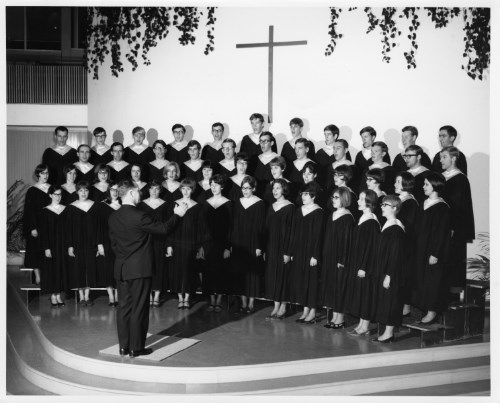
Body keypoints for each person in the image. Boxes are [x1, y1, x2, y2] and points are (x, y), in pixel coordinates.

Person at [109, 179, 187, 357]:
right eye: (137, 191)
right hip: (139, 269)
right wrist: (178, 215)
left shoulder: (113, 216)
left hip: (121, 268)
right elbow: (163, 229)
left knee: (123, 308)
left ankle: (123, 347)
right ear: (130, 193)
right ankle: (136, 348)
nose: (140, 194)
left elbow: (113, 244)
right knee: (139, 308)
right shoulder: (139, 215)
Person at [286, 181, 324, 324]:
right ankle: (305, 309)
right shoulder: (299, 210)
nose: (303, 196)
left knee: (311, 281)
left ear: (313, 196)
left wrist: (315, 255)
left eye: (306, 194)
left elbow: (318, 235)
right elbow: (294, 233)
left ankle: (313, 311)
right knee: (302, 280)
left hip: (311, 252)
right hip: (299, 250)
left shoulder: (318, 211)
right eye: (302, 194)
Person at [415, 173, 451, 324]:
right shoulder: (425, 203)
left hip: (433, 251)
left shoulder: (442, 207)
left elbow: (441, 232)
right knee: (423, 279)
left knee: (433, 281)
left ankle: (432, 311)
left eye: (426, 184)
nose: (423, 187)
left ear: (435, 186)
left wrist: (435, 253)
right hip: (422, 248)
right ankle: (424, 308)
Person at [440, 146, 475, 298]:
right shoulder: (440, 177)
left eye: (444, 157)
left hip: (453, 228)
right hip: (440, 226)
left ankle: (451, 299)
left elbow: (459, 207)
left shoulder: (460, 179)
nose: (441, 160)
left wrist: (452, 226)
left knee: (452, 261)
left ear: (453, 158)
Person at [346, 190, 380, 336]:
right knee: (360, 294)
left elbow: (370, 247)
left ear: (369, 202)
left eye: (361, 199)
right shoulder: (363, 218)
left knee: (366, 295)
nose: (358, 201)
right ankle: (361, 324)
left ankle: (365, 325)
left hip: (365, 266)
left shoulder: (371, 221)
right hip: (358, 263)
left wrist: (363, 267)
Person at [166, 178, 204, 310]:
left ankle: (187, 298)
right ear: (180, 189)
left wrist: (199, 246)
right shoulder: (174, 204)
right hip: (176, 243)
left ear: (192, 190)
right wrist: (169, 245)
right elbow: (170, 226)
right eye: (184, 188)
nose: (186, 191)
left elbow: (200, 228)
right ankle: (180, 298)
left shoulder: (197, 206)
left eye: (189, 188)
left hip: (191, 243)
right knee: (177, 270)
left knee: (189, 271)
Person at [320, 187, 355, 329]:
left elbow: (347, 242)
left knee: (339, 287)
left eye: (336, 197)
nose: (333, 200)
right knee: (331, 286)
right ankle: (334, 316)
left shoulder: (347, 217)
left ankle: (340, 318)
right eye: (332, 197)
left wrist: (343, 260)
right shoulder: (332, 215)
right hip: (329, 256)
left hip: (340, 259)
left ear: (344, 199)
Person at [372, 195, 405, 343]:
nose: (381, 207)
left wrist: (389, 275)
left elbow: (396, 254)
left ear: (394, 208)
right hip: (383, 270)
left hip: (391, 272)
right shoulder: (387, 225)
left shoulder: (396, 228)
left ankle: (389, 333)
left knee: (391, 301)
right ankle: (387, 332)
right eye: (382, 204)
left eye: (385, 204)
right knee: (386, 301)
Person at [230, 176, 266, 313]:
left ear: (254, 189)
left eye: (248, 188)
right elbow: (234, 225)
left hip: (253, 242)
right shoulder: (238, 202)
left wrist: (259, 246)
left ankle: (251, 303)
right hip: (239, 241)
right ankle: (243, 302)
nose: (245, 191)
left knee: (252, 273)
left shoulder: (260, 203)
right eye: (243, 188)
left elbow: (260, 226)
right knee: (241, 272)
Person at [264, 179, 294, 320]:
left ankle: (283, 306)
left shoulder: (290, 207)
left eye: (278, 188)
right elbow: (267, 229)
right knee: (273, 276)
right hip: (271, 246)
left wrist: (288, 251)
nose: (275, 191)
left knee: (283, 276)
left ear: (284, 190)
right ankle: (276, 306)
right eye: (273, 188)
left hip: (283, 247)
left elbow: (292, 232)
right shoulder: (271, 206)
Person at [201, 174, 232, 312]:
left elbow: (230, 227)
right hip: (208, 244)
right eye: (211, 184)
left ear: (222, 186)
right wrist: (201, 246)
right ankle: (211, 301)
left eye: (216, 185)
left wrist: (227, 247)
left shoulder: (228, 203)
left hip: (221, 244)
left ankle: (218, 301)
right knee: (208, 273)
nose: (213, 187)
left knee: (220, 273)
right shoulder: (206, 203)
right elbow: (202, 227)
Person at [137, 180, 170, 307]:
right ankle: (148, 294)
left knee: (159, 267)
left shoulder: (166, 205)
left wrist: (168, 245)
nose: (154, 191)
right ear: (148, 190)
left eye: (157, 189)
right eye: (152, 189)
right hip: (145, 240)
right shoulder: (141, 205)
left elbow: (168, 225)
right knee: (147, 267)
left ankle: (156, 296)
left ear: (160, 190)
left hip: (160, 240)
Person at [66, 180, 99, 306]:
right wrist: (70, 245)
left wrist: (97, 244)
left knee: (89, 268)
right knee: (79, 268)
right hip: (77, 242)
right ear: (77, 192)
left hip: (91, 242)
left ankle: (87, 296)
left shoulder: (94, 206)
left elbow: (97, 227)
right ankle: (81, 297)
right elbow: (69, 229)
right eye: (81, 190)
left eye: (86, 190)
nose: (83, 193)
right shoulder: (72, 207)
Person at [394, 172, 420, 316]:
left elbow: (409, 227)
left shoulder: (410, 202)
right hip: (397, 243)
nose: (395, 185)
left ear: (406, 183)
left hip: (406, 245)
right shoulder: (398, 200)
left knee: (405, 275)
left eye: (398, 182)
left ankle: (406, 306)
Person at [39, 185, 68, 307]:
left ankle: (59, 294)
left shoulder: (65, 209)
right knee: (52, 270)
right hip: (51, 245)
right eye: (55, 194)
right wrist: (46, 247)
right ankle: (53, 295)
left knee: (61, 269)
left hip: (63, 244)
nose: (58, 197)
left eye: (60, 194)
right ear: (50, 195)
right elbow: (44, 232)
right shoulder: (45, 211)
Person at [23, 164, 51, 285]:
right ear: (38, 174)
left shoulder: (52, 189)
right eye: (43, 173)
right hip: (36, 225)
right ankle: (38, 277)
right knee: (35, 251)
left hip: (49, 225)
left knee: (48, 250)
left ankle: (49, 276)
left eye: (47, 173)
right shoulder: (32, 190)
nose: (45, 175)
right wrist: (33, 227)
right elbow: (29, 211)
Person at [96, 182, 121, 306]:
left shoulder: (122, 205)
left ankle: (117, 294)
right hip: (106, 240)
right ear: (108, 191)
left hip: (120, 241)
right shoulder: (102, 205)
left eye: (117, 190)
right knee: (107, 267)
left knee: (118, 267)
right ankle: (111, 295)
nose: (115, 192)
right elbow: (99, 227)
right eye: (112, 190)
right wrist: (99, 244)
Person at [253, 131, 279, 196]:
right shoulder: (255, 159)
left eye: (265, 141)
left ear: (272, 143)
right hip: (257, 195)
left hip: (273, 194)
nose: (262, 144)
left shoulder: (278, 159)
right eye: (261, 141)